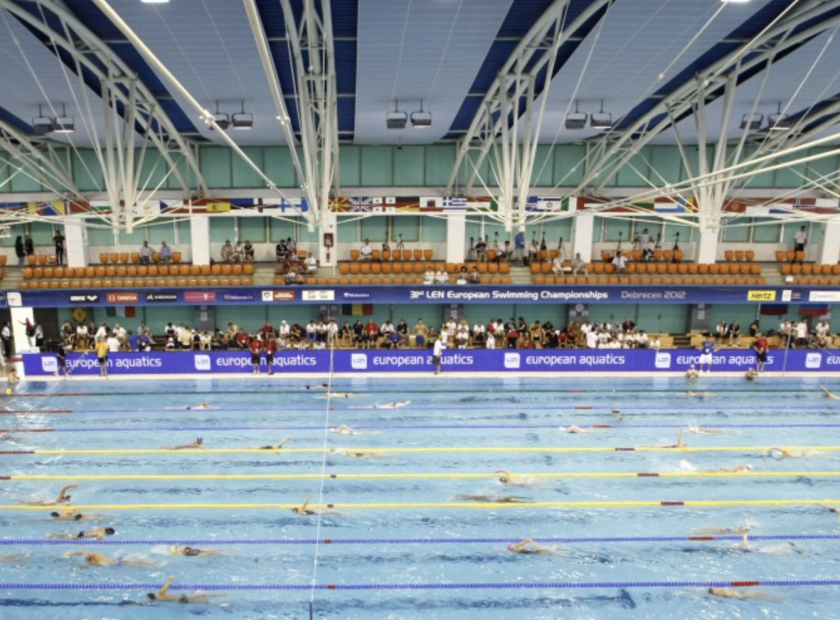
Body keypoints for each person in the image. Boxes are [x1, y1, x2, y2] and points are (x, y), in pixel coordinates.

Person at [147, 575, 224, 604]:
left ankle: (217, 605)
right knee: (203, 595)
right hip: (183, 597)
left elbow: (147, 602)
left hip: (181, 601)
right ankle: (223, 594)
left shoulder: (156, 600)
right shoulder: (160, 593)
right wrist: (170, 578)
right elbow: (167, 585)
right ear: (154, 594)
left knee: (201, 601)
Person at [64, 551, 154, 567]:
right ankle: (152, 562)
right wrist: (72, 554)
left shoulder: (95, 562)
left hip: (117, 563)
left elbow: (86, 566)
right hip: (117, 560)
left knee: (136, 564)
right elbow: (82, 552)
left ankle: (153, 563)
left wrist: (76, 568)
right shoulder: (98, 556)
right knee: (137, 561)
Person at [707, 587, 778, 601]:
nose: (715, 587)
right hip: (741, 595)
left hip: (740, 593)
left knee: (759, 594)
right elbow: (730, 596)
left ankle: (774, 599)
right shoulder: (721, 593)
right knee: (759, 594)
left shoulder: (721, 591)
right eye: (714, 588)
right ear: (714, 591)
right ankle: (775, 599)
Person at [48, 527, 115, 540]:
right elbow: (98, 540)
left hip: (84, 533)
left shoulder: (102, 528)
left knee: (67, 535)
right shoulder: (101, 534)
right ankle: (51, 536)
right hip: (82, 535)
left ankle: (52, 535)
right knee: (65, 538)